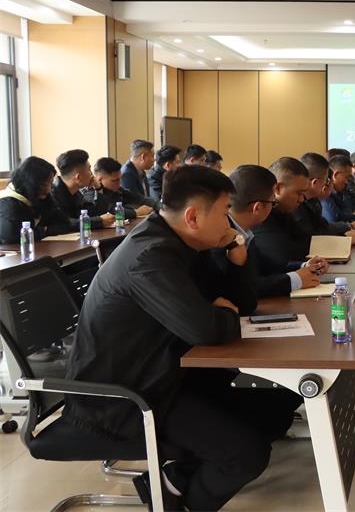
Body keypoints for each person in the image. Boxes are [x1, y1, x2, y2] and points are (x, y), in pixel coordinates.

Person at [63, 165, 303, 511]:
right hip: (125, 396)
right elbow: (207, 330)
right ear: (193, 217)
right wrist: (223, 313)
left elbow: (240, 305)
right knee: (246, 454)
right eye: (223, 212)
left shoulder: (186, 243)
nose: (229, 222)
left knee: (276, 405)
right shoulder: (150, 257)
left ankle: (170, 482)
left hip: (168, 374)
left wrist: (236, 257)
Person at [226, 164, 326, 297]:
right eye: (272, 202)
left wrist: (305, 266)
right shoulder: (222, 238)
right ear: (257, 208)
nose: (274, 207)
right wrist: (295, 279)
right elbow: (244, 287)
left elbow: (267, 265)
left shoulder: (244, 232)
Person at [253, 157, 332, 278]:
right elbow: (279, 260)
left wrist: (308, 265)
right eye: (298, 193)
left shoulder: (284, 211)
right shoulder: (261, 217)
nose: (301, 199)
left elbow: (304, 243)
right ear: (278, 188)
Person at [296, 153, 355, 242]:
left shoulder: (313, 201)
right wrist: (343, 240)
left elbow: (324, 227)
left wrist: (346, 230)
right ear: (315, 183)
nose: (326, 186)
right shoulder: (296, 206)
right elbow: (308, 240)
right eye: (326, 181)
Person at [0, 156, 70, 243]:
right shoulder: (8, 204)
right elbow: (11, 237)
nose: (49, 189)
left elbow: (64, 222)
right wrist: (45, 230)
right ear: (31, 183)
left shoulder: (39, 197)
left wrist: (45, 230)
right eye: (44, 184)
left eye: (51, 183)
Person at [50, 149, 116, 230]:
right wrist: (98, 221)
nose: (92, 174)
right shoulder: (52, 195)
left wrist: (98, 189)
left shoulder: (76, 193)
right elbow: (63, 223)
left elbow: (97, 213)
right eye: (89, 170)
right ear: (78, 177)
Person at [89, 157, 156, 220]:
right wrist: (136, 212)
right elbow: (110, 211)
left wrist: (158, 206)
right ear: (99, 179)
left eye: (120, 179)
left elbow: (139, 199)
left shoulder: (118, 190)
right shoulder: (90, 194)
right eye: (115, 180)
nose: (119, 183)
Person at [321, 154, 355, 226]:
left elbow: (344, 212)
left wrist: (353, 217)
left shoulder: (340, 191)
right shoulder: (325, 194)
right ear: (335, 175)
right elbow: (333, 220)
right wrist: (351, 225)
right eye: (346, 177)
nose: (347, 182)